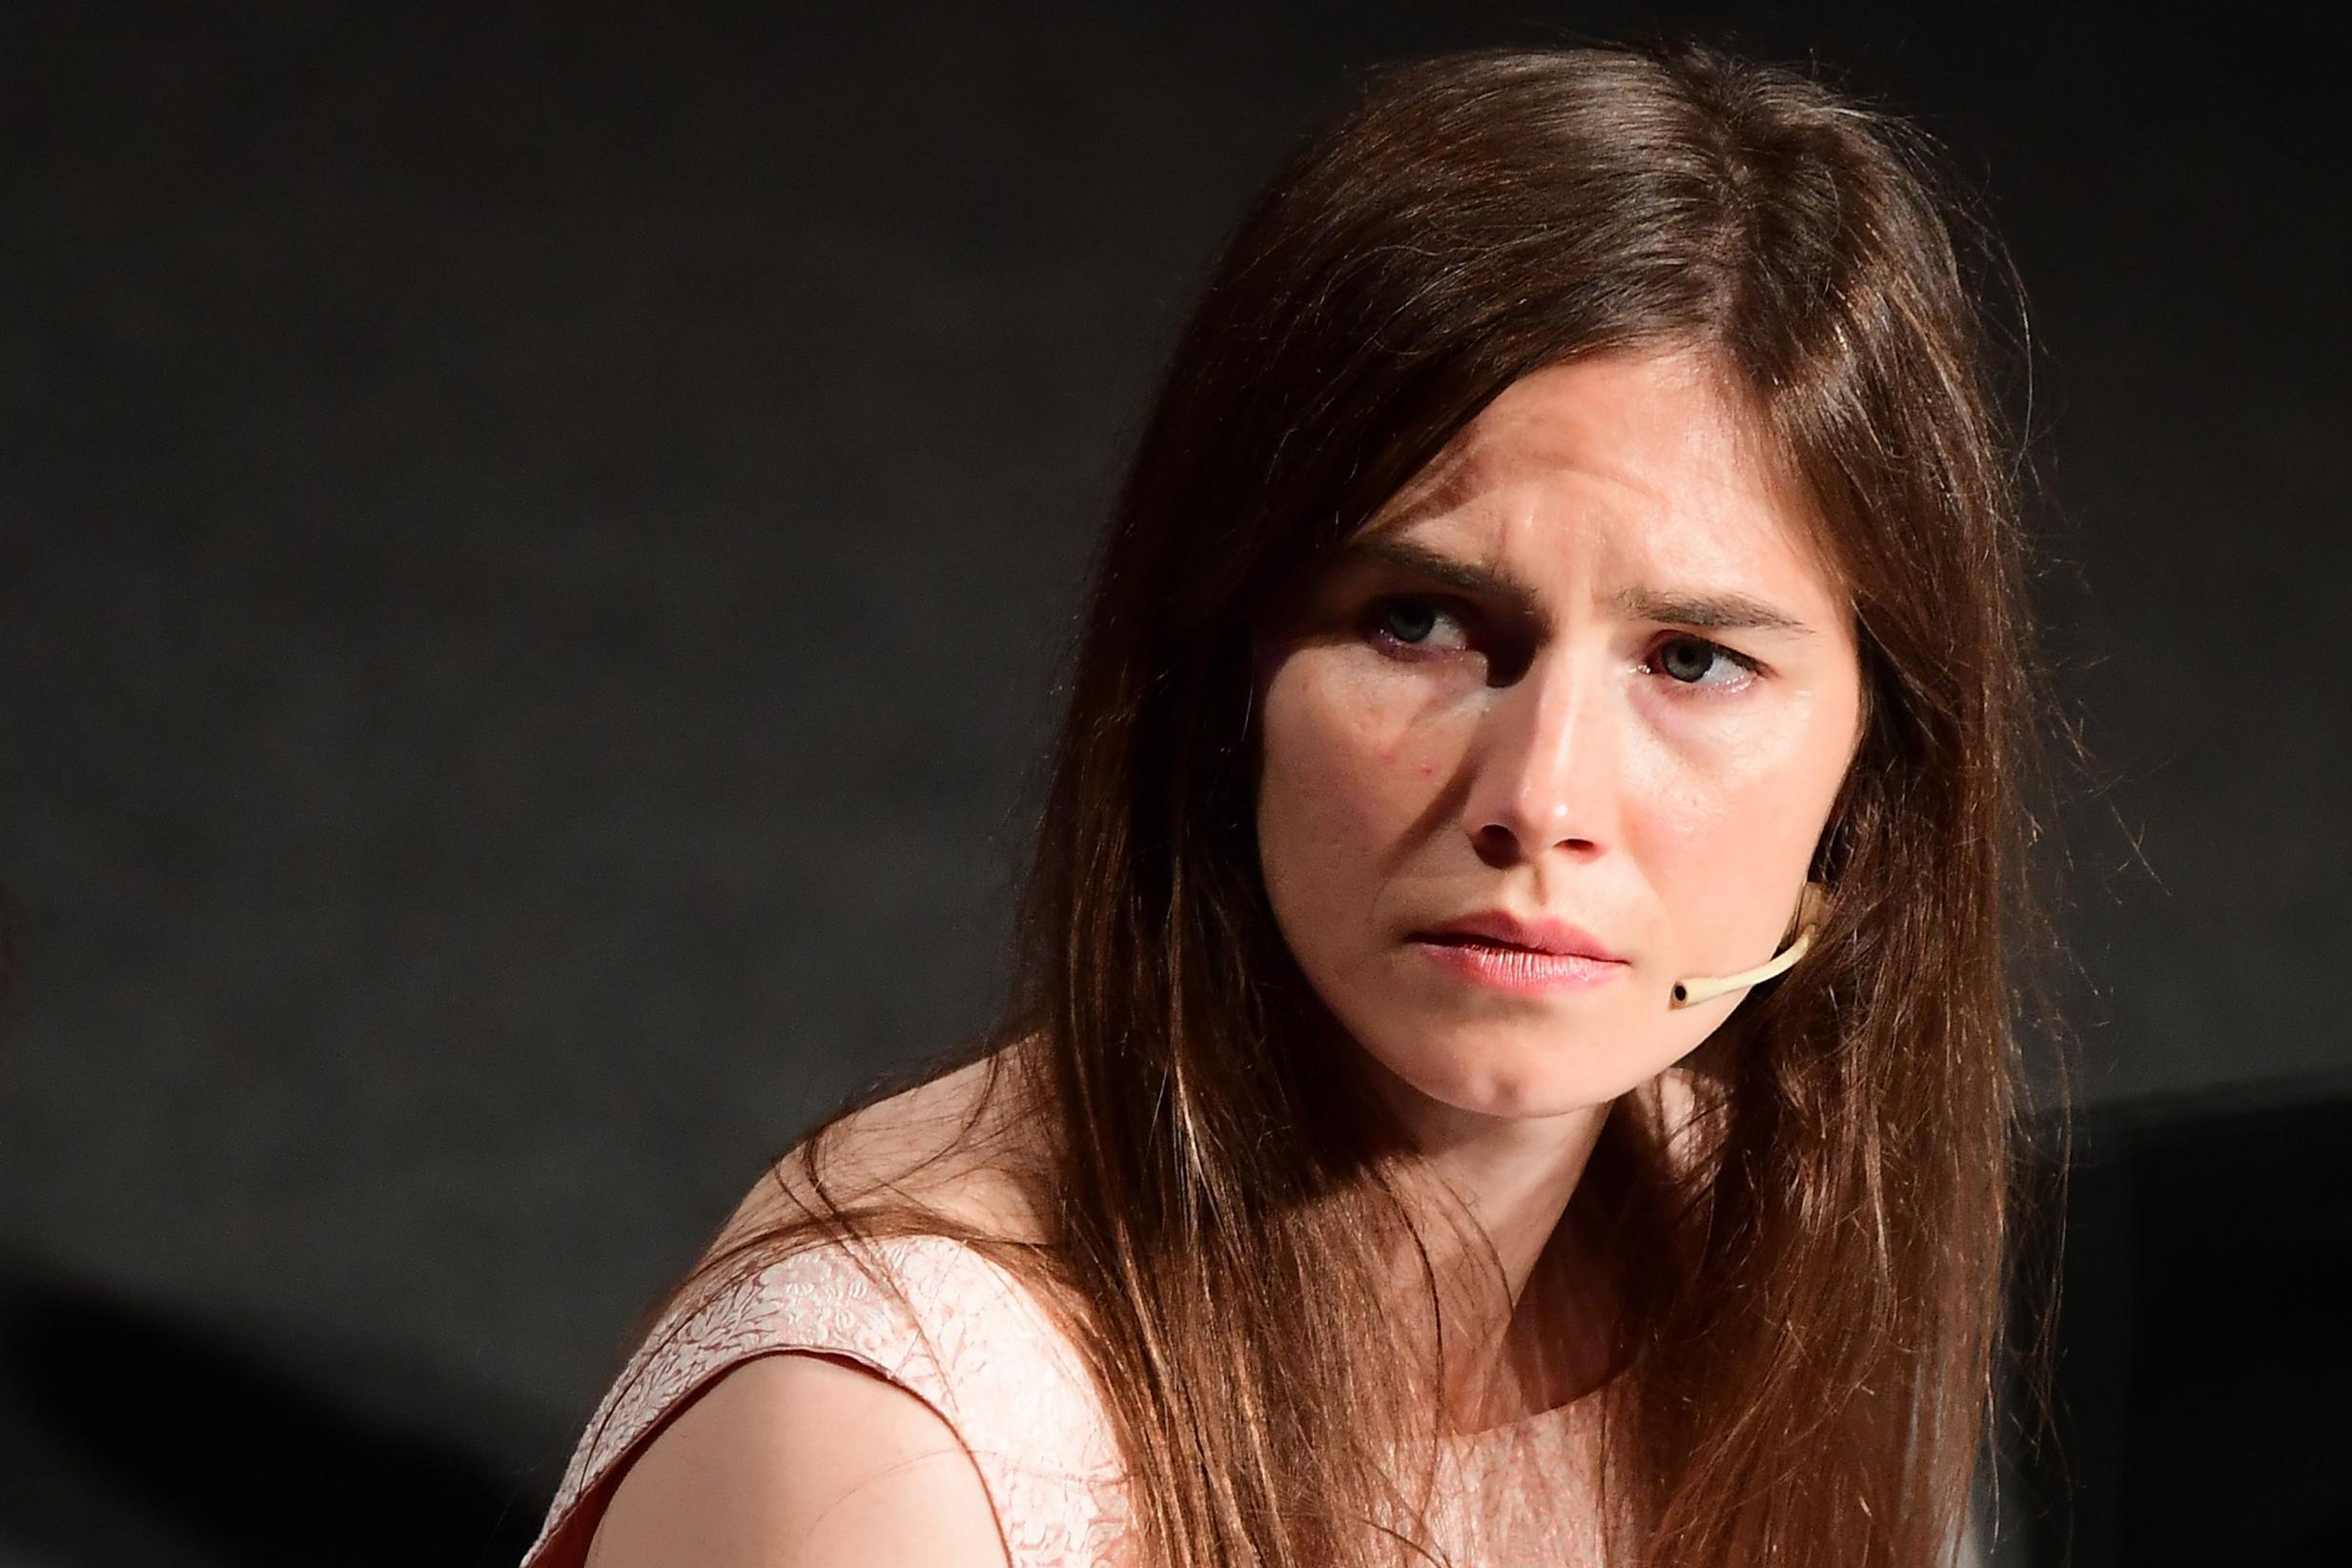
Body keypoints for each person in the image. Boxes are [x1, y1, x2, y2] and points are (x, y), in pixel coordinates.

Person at [519, 36, 2067, 1568]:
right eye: (1423, 622)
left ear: (1873, 785)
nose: (1541, 797)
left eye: (1693, 658)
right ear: (1220, 669)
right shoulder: (890, 1452)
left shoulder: (1760, 1218)